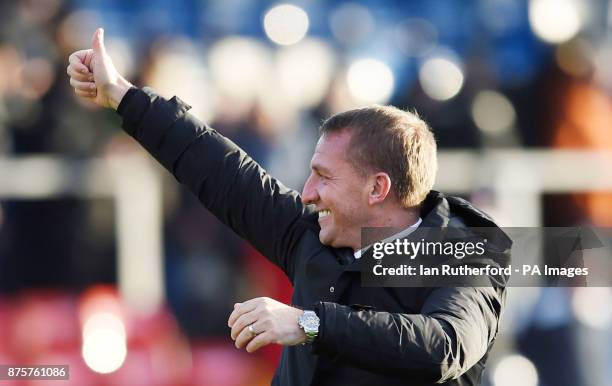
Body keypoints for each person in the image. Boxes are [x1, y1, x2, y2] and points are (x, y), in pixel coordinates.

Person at [67, 28, 509, 386]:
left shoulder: (466, 253)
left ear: (377, 189)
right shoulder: (316, 235)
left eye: (325, 176)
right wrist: (124, 96)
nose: (307, 192)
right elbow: (223, 172)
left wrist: (310, 324)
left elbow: (442, 347)